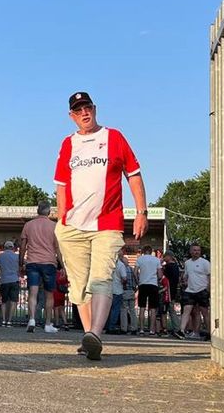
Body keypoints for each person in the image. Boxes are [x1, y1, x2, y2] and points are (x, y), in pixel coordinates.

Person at [54, 92, 148, 360]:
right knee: (79, 284)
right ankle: (88, 337)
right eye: (78, 110)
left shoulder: (114, 138)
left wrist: (141, 212)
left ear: (94, 109)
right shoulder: (68, 144)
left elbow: (134, 176)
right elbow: (60, 185)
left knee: (101, 278)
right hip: (73, 226)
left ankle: (96, 333)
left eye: (87, 107)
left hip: (107, 223)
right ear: (72, 116)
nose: (84, 113)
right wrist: (62, 219)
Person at [19, 200, 61, 333]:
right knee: (49, 295)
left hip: (32, 262)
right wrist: (63, 265)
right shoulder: (54, 226)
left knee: (33, 293)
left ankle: (32, 319)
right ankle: (48, 324)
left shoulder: (28, 225)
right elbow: (57, 248)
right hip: (49, 263)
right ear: (48, 211)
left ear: (38, 210)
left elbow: (23, 247)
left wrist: (21, 263)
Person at [176, 244, 211, 340]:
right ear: (191, 251)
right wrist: (184, 281)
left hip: (202, 289)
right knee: (187, 310)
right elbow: (186, 275)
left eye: (198, 250)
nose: (196, 252)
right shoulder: (187, 263)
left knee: (205, 312)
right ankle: (182, 330)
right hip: (190, 290)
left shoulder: (205, 263)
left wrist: (208, 289)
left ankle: (209, 332)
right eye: (194, 250)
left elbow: (209, 276)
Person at [134, 245, 162, 335]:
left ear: (143, 251)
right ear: (151, 251)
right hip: (153, 284)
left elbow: (135, 272)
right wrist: (157, 280)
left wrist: (138, 281)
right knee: (153, 308)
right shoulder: (156, 260)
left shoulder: (139, 259)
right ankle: (152, 330)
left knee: (142, 307)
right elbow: (160, 275)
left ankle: (141, 329)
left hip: (143, 284)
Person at [0, 241, 20, 327]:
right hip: (14, 280)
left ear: (4, 247)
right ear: (13, 248)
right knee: (13, 301)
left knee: (4, 301)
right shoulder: (17, 256)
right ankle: (9, 321)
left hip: (4, 281)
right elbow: (24, 263)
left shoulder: (0, 256)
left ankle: (3, 320)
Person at [105, 250, 128, 334]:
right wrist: (124, 284)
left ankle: (106, 325)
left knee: (107, 309)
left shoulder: (108, 264)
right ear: (120, 256)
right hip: (118, 289)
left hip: (107, 289)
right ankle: (112, 326)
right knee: (115, 309)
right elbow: (124, 278)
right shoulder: (121, 265)